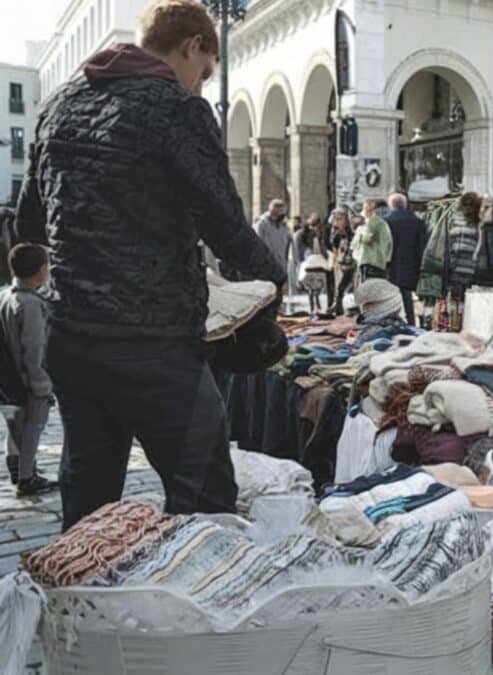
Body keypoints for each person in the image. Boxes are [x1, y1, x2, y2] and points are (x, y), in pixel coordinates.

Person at [14, 0, 286, 529]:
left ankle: (86, 604)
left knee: (88, 507)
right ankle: (185, 604)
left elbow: (28, 227)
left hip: (74, 342)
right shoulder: (175, 108)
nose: (201, 86)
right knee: (205, 498)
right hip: (153, 348)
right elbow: (226, 226)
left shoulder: (57, 105)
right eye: (204, 72)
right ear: (191, 47)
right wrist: (273, 281)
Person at [0, 244, 57, 496]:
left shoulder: (6, 294)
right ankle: (27, 477)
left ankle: (14, 464)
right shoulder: (31, 304)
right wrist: (42, 386)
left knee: (14, 426)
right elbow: (34, 349)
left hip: (8, 379)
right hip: (28, 380)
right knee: (33, 428)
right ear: (41, 271)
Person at [383, 192, 428, 324]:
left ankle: (393, 322)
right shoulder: (417, 222)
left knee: (391, 296)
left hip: (391, 265)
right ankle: (410, 322)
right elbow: (422, 246)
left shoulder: (386, 221)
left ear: (390, 205)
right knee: (407, 297)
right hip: (410, 264)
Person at [352, 199, 393, 282]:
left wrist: (359, 233)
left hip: (369, 260)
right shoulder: (383, 223)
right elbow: (389, 243)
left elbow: (366, 239)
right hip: (380, 262)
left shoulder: (371, 222)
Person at [329, 207, 356, 314]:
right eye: (336, 219)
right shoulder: (336, 233)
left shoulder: (353, 232)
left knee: (348, 288)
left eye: (340, 219)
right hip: (341, 264)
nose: (336, 222)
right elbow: (333, 245)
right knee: (339, 288)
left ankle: (349, 309)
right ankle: (338, 308)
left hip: (352, 263)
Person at [253, 198, 290, 272]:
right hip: (266, 264)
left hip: (281, 265)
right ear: (274, 212)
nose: (283, 216)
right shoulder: (261, 224)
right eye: (281, 213)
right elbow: (257, 243)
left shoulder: (283, 226)